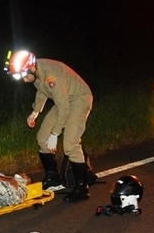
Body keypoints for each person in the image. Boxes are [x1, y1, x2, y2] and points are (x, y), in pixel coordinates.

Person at [5, 49, 93, 202]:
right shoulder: (38, 71)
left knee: (70, 144)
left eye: (25, 76)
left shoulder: (52, 77)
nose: (25, 80)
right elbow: (41, 91)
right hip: (63, 100)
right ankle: (53, 177)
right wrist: (35, 111)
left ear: (31, 68)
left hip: (78, 99)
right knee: (41, 138)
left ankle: (82, 187)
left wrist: (55, 134)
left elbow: (64, 107)